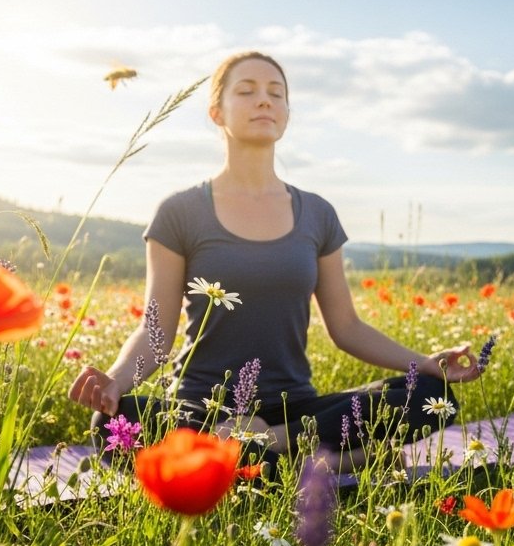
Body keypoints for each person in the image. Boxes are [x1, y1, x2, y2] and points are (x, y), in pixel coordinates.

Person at [68, 51, 481, 472]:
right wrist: (116, 380)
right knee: (114, 422)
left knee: (434, 397)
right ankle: (320, 463)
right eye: (246, 91)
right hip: (202, 412)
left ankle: (266, 450)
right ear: (216, 112)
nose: (264, 100)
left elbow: (347, 328)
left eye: (276, 93)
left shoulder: (317, 213)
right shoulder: (180, 212)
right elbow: (155, 331)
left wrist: (425, 363)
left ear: (286, 113)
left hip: (294, 412)